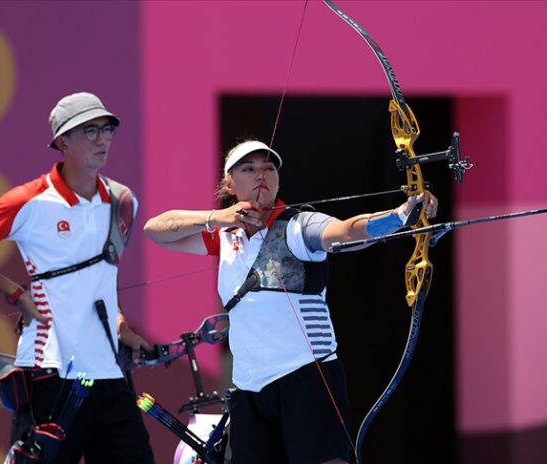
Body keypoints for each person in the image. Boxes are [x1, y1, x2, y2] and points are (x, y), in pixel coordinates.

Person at [144, 140, 437, 464]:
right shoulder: (225, 234)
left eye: (269, 168)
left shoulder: (298, 226)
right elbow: (155, 230)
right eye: (248, 168)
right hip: (248, 387)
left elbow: (344, 232)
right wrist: (217, 217)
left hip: (306, 377)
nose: (261, 175)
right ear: (229, 183)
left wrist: (398, 217)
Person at [0, 92, 155, 463]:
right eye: (90, 131)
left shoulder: (121, 200)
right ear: (62, 141)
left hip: (106, 373)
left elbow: (105, 273)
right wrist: (15, 293)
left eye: (107, 129)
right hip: (49, 371)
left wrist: (120, 324)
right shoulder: (30, 199)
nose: (103, 139)